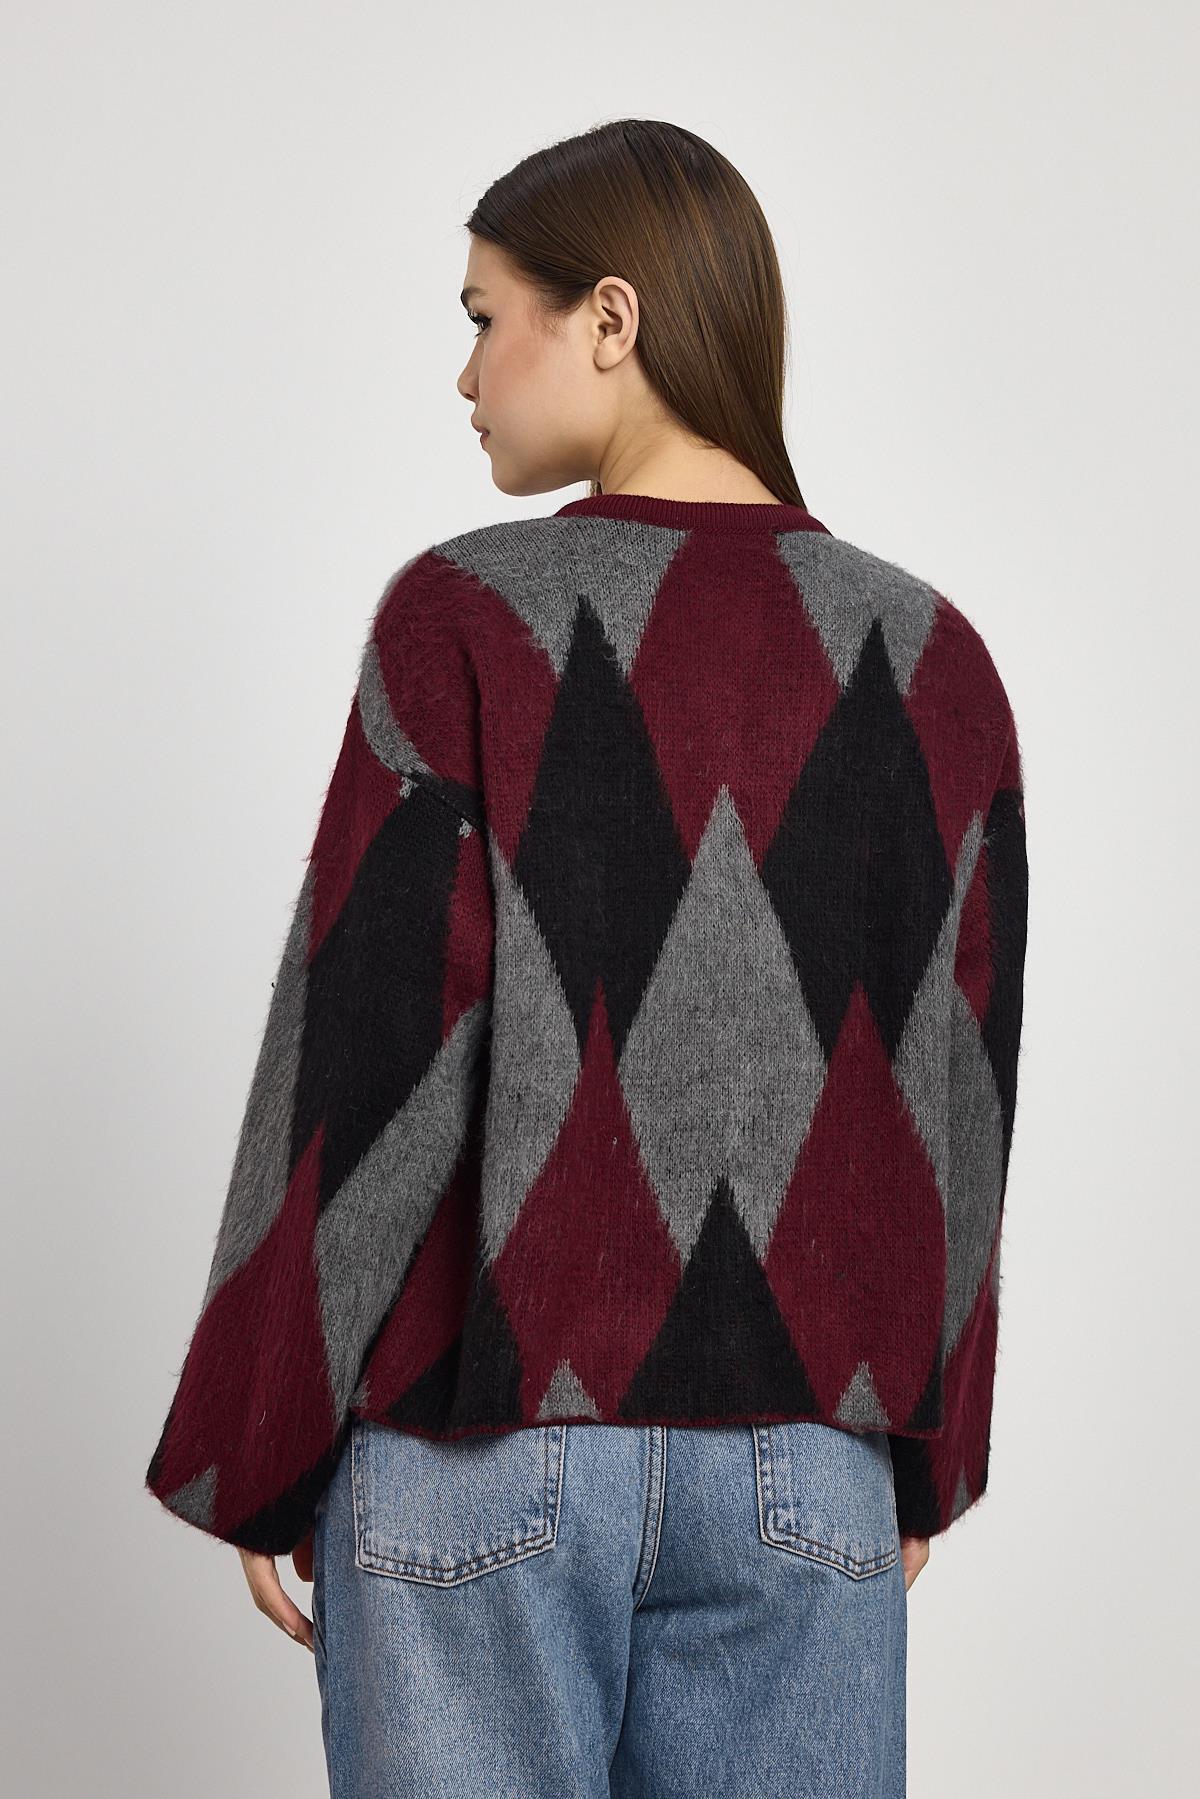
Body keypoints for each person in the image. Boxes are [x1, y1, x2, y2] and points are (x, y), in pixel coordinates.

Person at [146, 118, 1029, 1797]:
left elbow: (368, 1052)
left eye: (488, 317)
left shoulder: (467, 619)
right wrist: (921, 1450)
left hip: (481, 1449)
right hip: (804, 1466)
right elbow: (960, 1094)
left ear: (610, 318)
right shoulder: (936, 661)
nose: (466, 373)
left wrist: (261, 1435)